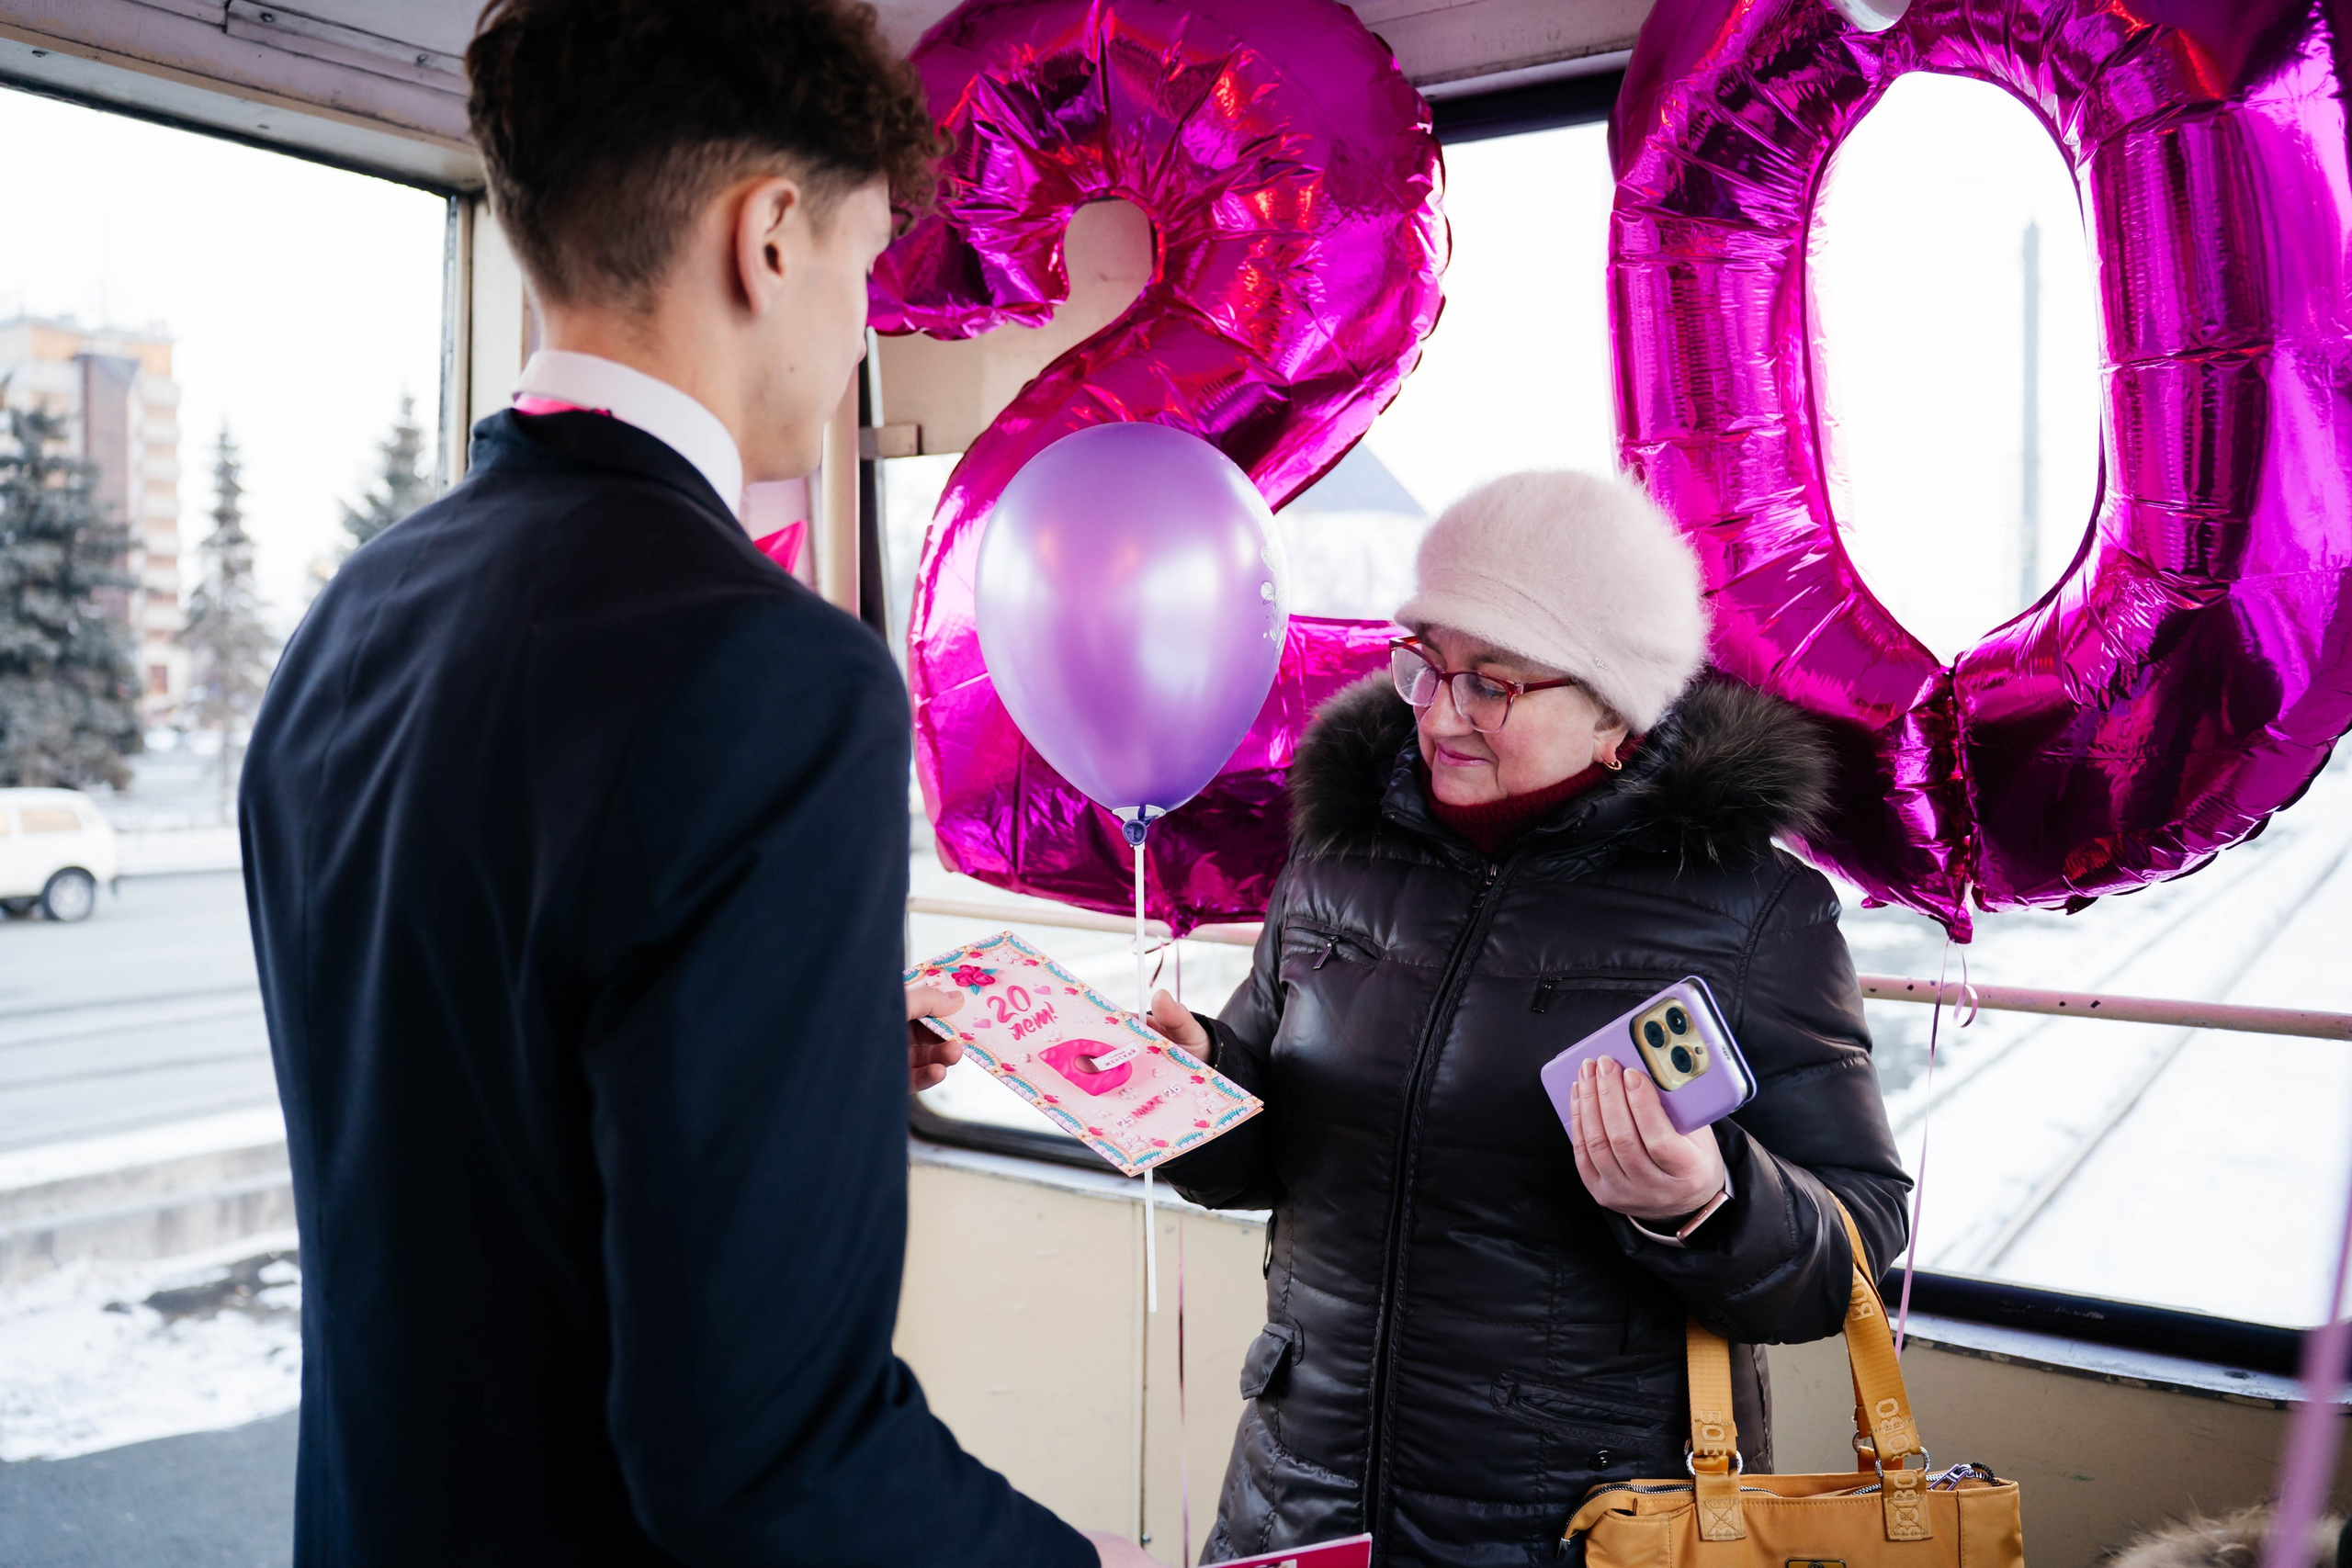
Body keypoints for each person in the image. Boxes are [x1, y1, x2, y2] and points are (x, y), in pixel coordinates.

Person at [239, 3, 1150, 1563]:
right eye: (865, 267)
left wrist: (795, 1048)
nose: (860, 329)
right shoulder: (774, 677)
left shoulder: (353, 618)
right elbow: (764, 1460)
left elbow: (471, 1093)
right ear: (772, 237)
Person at [1144, 469, 1913, 1564]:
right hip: (1301, 1497)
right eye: (1427, 666)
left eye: (1491, 684)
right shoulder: (1340, 857)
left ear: (1614, 712)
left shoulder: (1751, 908)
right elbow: (1270, 1152)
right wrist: (1194, 1085)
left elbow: (1856, 1249)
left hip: (1572, 1528)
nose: (1438, 715)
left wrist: (1707, 1203)